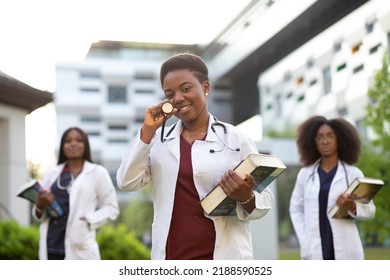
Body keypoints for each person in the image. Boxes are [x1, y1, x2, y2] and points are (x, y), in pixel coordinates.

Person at [116, 53, 274, 260]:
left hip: (224, 257)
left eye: (186, 89)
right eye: (169, 94)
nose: (178, 98)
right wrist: (147, 131)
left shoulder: (236, 139)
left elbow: (265, 200)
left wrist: (246, 197)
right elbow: (127, 182)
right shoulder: (158, 142)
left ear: (206, 88)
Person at [289, 115, 376, 260]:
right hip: (314, 248)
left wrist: (352, 206)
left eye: (330, 136)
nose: (325, 141)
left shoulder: (353, 173)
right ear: (313, 141)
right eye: (319, 137)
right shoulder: (305, 174)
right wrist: (305, 239)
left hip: (346, 249)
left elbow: (370, 211)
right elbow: (295, 209)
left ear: (340, 140)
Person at [33, 127, 119, 260]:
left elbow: (112, 208)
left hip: (81, 246)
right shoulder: (52, 174)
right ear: (62, 146)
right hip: (50, 245)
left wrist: (89, 219)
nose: (73, 144)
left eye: (79, 140)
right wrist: (39, 205)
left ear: (86, 145)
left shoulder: (97, 172)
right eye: (68, 141)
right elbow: (40, 215)